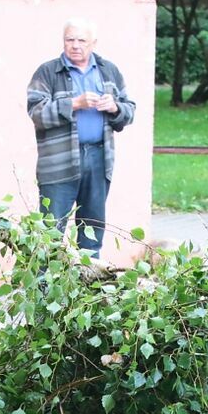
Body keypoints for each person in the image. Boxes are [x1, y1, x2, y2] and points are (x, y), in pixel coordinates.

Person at [26, 17, 136, 257]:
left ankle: (86, 290)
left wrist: (115, 107)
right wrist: (74, 103)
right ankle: (44, 291)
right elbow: (36, 112)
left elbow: (130, 111)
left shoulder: (109, 71)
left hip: (99, 157)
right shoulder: (47, 72)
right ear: (63, 42)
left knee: (92, 229)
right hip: (58, 162)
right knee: (49, 231)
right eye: (70, 39)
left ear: (93, 43)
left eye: (81, 40)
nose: (75, 45)